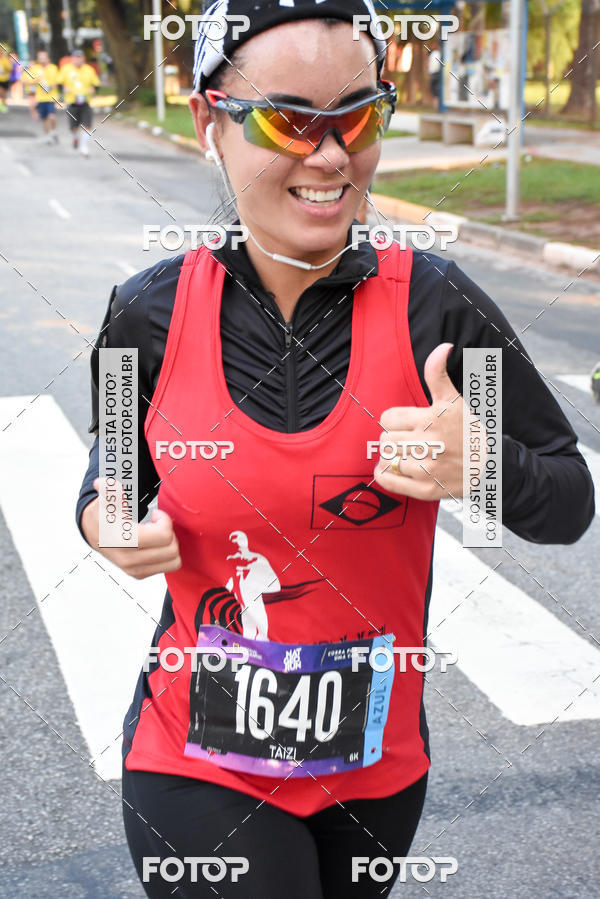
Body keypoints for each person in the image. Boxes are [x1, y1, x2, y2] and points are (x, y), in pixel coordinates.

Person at [76, 1, 595, 896]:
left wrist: (481, 467)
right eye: (288, 120)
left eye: (356, 117)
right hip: (197, 758)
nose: (329, 156)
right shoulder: (143, 315)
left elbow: (568, 498)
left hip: (377, 772)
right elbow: (110, 481)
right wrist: (106, 525)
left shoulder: (438, 305)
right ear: (211, 122)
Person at [59, 49, 99, 156]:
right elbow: (59, 83)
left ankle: (84, 147)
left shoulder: (89, 70)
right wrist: (64, 88)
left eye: (80, 57)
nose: (78, 60)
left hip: (85, 102)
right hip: (72, 102)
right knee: (74, 127)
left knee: (87, 126)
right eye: (76, 58)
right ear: (72, 59)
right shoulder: (66, 69)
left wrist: (93, 89)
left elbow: (96, 84)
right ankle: (75, 137)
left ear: (83, 59)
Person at [23, 49, 60, 143]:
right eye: (40, 58)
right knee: (45, 118)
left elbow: (57, 81)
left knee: (52, 116)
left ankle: (54, 131)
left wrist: (50, 86)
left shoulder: (53, 68)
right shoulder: (35, 69)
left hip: (52, 97)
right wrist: (36, 81)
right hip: (40, 97)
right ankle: (48, 135)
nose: (42, 59)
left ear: (48, 58)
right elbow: (27, 81)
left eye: (43, 57)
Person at [0, 46, 12, 112]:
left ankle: (4, 105)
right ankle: (1, 105)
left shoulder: (5, 59)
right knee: (0, 92)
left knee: (4, 94)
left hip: (5, 79)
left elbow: (10, 69)